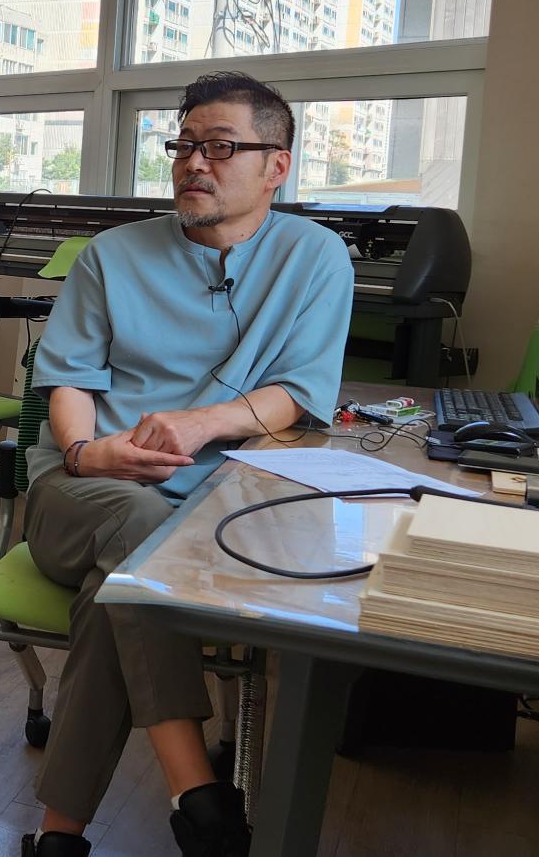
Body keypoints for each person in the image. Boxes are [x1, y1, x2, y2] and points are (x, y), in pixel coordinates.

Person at [20, 72, 354, 857]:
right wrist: (85, 452)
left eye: (222, 147)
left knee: (114, 596)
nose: (194, 163)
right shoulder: (111, 256)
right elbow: (69, 381)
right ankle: (196, 789)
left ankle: (58, 838)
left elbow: (298, 392)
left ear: (277, 166)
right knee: (139, 528)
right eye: (185, 145)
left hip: (212, 509)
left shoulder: (315, 258)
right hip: (80, 492)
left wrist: (201, 424)